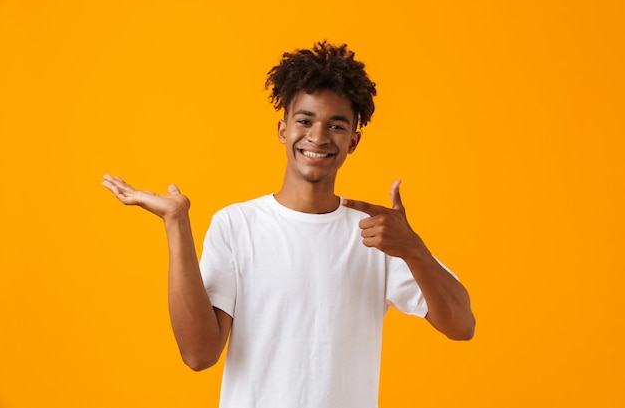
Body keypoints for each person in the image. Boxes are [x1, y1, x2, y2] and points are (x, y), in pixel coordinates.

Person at [103, 41, 475, 408]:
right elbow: (198, 354)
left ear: (353, 141)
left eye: (336, 125)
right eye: (305, 120)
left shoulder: (377, 234)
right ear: (283, 130)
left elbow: (462, 326)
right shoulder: (237, 225)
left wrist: (414, 250)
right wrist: (176, 223)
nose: (318, 137)